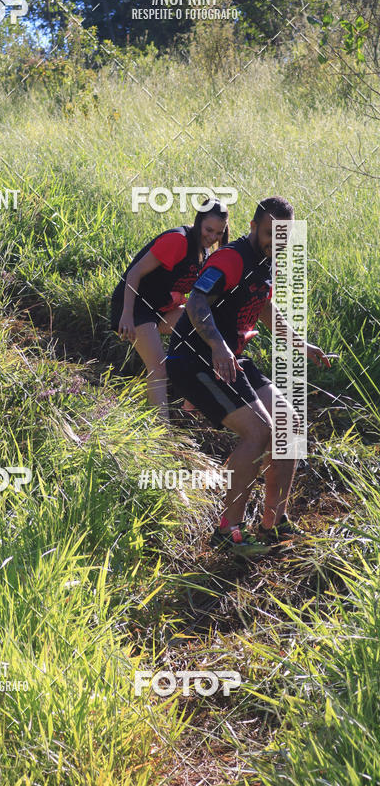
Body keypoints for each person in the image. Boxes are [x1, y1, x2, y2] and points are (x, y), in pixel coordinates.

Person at [166, 196, 333, 556]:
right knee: (259, 433)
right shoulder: (231, 257)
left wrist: (302, 345)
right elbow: (196, 302)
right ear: (253, 226)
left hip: (230, 356)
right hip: (195, 358)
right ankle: (228, 531)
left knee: (289, 423)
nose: (276, 241)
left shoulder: (264, 262)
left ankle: (274, 521)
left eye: (283, 236)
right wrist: (219, 348)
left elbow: (263, 305)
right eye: (270, 232)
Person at [111, 200, 229, 421]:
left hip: (159, 310)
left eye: (219, 233)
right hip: (134, 307)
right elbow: (134, 273)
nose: (213, 237)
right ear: (198, 222)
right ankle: (161, 434)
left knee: (205, 327)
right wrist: (126, 313)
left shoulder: (203, 250)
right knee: (159, 368)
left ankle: (190, 401)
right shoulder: (178, 240)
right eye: (209, 230)